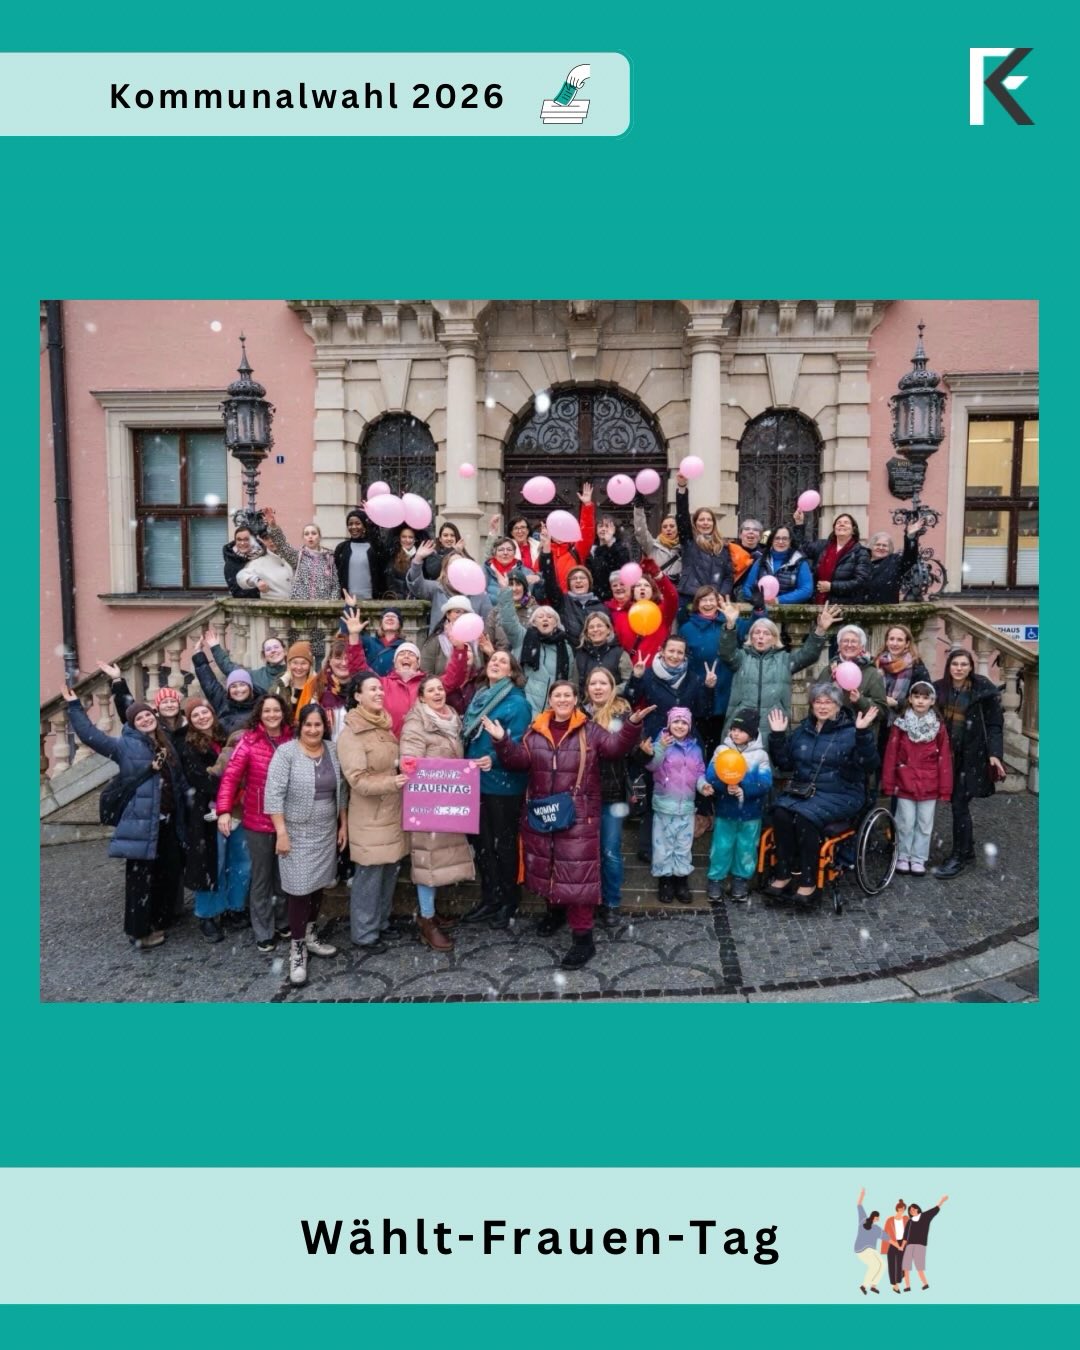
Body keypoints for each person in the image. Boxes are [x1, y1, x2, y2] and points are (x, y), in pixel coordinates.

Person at [484, 680, 650, 969]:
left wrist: (632, 724)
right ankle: (555, 912)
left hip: (578, 815)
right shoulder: (535, 730)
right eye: (557, 695)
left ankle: (583, 939)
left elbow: (614, 748)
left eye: (567, 695)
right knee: (549, 865)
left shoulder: (590, 730)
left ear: (575, 700)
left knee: (577, 876)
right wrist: (502, 741)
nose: (562, 699)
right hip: (545, 813)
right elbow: (519, 761)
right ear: (550, 700)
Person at [63, 689, 189, 949]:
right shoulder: (125, 745)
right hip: (141, 824)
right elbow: (91, 736)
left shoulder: (164, 741)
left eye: (147, 715)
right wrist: (74, 707)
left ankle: (159, 920)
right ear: (132, 724)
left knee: (167, 872)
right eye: (138, 718)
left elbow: (176, 781)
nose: (145, 720)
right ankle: (139, 932)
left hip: (166, 822)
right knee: (139, 881)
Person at [766, 686, 879, 903]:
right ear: (811, 705)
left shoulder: (852, 731)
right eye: (818, 701)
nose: (823, 706)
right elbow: (785, 763)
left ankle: (809, 882)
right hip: (803, 791)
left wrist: (864, 734)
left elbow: (869, 765)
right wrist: (778, 737)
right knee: (780, 813)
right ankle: (784, 873)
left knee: (806, 817)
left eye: (828, 702)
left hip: (841, 792)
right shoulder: (803, 730)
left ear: (838, 705)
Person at [264, 703, 345, 986]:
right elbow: (273, 794)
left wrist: (342, 824)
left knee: (318, 884)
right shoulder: (286, 752)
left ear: (325, 727)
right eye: (308, 725)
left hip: (325, 830)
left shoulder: (332, 750)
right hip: (295, 832)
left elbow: (341, 789)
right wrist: (281, 832)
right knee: (298, 891)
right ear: (300, 726)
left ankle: (310, 935)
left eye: (318, 725)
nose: (313, 730)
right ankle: (297, 948)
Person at [399, 675, 477, 950]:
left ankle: (431, 912)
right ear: (421, 697)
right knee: (427, 859)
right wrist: (433, 773)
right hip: (427, 800)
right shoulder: (416, 722)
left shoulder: (454, 718)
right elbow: (407, 760)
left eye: (440, 688)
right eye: (430, 690)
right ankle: (426, 919)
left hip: (448, 799)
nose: (437, 693)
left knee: (439, 859)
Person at [457, 648, 533, 929]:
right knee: (483, 846)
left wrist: (495, 757)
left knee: (504, 845)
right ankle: (490, 898)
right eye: (493, 660)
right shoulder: (480, 697)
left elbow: (521, 744)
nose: (496, 664)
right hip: (475, 783)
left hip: (503, 785)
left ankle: (509, 900)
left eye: (504, 661)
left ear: (512, 672)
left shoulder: (517, 703)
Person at [215, 694, 293, 951]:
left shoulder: (292, 739)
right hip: (258, 819)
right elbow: (230, 777)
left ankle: (283, 922)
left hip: (287, 819)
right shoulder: (248, 741)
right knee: (261, 877)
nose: (272, 715)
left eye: (276, 710)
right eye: (267, 711)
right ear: (259, 714)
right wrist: (224, 809)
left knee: (283, 876)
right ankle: (263, 930)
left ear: (283, 713)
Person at [337, 674, 410, 952]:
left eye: (380, 688)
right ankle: (364, 934)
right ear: (357, 696)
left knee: (389, 871)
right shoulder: (352, 733)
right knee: (369, 876)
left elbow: (387, 764)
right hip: (370, 817)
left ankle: (380, 923)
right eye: (372, 689)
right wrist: (392, 781)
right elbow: (357, 779)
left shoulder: (383, 725)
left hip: (390, 813)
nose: (379, 693)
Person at [623, 633, 708, 864]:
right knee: (653, 793)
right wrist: (636, 677)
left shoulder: (694, 678)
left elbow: (702, 712)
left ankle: (677, 851)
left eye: (680, 652)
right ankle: (648, 847)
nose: (675, 655)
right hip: (657, 741)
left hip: (686, 745)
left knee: (679, 797)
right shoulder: (649, 674)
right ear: (662, 650)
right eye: (671, 650)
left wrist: (708, 689)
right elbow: (629, 699)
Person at [179, 695, 251, 942]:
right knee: (213, 864)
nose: (201, 717)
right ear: (190, 720)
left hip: (238, 809)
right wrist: (228, 788)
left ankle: (235, 907)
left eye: (204, 712)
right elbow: (199, 779)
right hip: (209, 812)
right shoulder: (189, 746)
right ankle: (208, 914)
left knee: (240, 861)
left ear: (212, 712)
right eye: (195, 715)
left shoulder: (227, 737)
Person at [932, 647, 1005, 879]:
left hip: (973, 756)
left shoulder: (983, 690)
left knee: (959, 804)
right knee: (958, 804)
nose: (959, 668)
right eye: (955, 664)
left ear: (971, 666)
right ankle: (968, 851)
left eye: (964, 664)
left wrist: (995, 753)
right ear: (949, 666)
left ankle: (959, 856)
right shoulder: (939, 689)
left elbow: (995, 724)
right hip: (948, 756)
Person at [717, 597, 837, 736]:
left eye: (766, 633)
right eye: (757, 632)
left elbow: (809, 654)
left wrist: (820, 630)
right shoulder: (741, 657)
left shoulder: (784, 660)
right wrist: (730, 624)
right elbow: (726, 652)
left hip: (774, 726)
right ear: (750, 637)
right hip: (741, 726)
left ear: (774, 639)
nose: (760, 637)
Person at [882, 681, 954, 876]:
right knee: (905, 821)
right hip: (904, 781)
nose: (920, 701)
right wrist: (889, 782)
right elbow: (891, 754)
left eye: (925, 698)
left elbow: (944, 759)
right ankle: (903, 855)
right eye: (917, 697)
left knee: (924, 824)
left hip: (929, 783)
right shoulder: (900, 725)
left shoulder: (938, 728)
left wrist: (945, 788)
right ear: (910, 699)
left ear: (932, 701)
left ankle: (919, 858)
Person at [493, 557, 578, 713]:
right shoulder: (523, 637)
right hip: (523, 707)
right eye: (540, 617)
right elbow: (508, 622)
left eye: (549, 617)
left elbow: (571, 681)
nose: (545, 619)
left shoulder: (565, 647)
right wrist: (506, 592)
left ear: (556, 623)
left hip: (554, 711)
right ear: (533, 623)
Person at [582, 665, 633, 925]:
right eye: (594, 683)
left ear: (612, 687)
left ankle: (611, 901)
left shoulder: (622, 713)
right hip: (583, 795)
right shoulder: (578, 714)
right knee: (585, 852)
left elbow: (625, 749)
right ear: (587, 688)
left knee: (610, 851)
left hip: (612, 794)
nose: (598, 688)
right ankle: (590, 899)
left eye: (603, 683)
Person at [705, 709, 772, 902]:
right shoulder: (721, 751)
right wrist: (725, 787)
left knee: (747, 848)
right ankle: (715, 879)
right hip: (726, 811)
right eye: (733, 729)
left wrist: (744, 789)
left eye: (741, 730)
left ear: (751, 733)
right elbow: (711, 776)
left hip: (751, 813)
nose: (735, 734)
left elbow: (765, 782)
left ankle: (741, 881)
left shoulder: (760, 756)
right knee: (721, 846)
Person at [646, 706, 710, 904]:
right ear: (669, 724)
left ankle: (681, 881)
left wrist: (703, 786)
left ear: (689, 726)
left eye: (684, 722)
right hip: (665, 806)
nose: (680, 726)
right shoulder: (661, 743)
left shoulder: (696, 749)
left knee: (683, 847)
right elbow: (652, 766)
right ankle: (665, 881)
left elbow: (699, 772)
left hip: (687, 808)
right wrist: (661, 748)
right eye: (676, 722)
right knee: (663, 846)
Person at [679, 585, 741, 760]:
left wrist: (759, 609)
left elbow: (755, 628)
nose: (707, 604)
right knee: (698, 742)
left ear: (718, 602)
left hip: (725, 689)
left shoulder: (729, 622)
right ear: (697, 604)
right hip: (699, 692)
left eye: (711, 600)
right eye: (703, 600)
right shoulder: (687, 629)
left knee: (722, 743)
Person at [408, 539, 495, 634]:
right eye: (452, 564)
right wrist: (417, 559)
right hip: (440, 643)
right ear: (445, 570)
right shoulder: (437, 588)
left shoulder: (479, 594)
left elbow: (489, 625)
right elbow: (416, 586)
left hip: (470, 645)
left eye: (460, 564)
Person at [674, 472, 733, 607]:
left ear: (713, 523)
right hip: (689, 597)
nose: (705, 523)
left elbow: (728, 577)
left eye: (709, 520)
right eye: (701, 520)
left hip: (714, 600)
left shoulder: (723, 547)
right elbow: (682, 517)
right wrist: (682, 488)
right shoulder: (689, 541)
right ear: (695, 523)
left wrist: (720, 594)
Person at [792, 508, 871, 605]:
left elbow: (861, 581)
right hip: (818, 602)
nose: (841, 524)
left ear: (853, 530)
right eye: (838, 522)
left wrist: (832, 586)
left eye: (846, 522)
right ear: (834, 529)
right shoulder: (822, 546)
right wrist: (799, 523)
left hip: (845, 606)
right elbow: (801, 548)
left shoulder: (861, 553)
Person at [261, 506, 338, 600]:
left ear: (319, 537)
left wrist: (331, 607)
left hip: (323, 608)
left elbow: (335, 586)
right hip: (301, 607)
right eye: (307, 534)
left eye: (314, 533)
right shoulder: (299, 557)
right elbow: (282, 545)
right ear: (303, 538)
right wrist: (273, 526)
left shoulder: (329, 558)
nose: (310, 537)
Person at [353, 639, 426, 736]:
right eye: (401, 654)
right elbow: (360, 669)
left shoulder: (427, 684)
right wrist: (354, 638)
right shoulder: (382, 683)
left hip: (419, 746)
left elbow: (450, 678)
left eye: (411, 654)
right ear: (395, 663)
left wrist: (454, 648)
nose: (406, 656)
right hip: (389, 744)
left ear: (418, 664)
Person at [542, 549, 609, 645]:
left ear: (589, 583)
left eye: (582, 578)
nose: (578, 581)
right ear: (569, 584)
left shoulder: (601, 608)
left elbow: (609, 636)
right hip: (570, 654)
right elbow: (549, 580)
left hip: (595, 655)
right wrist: (546, 551)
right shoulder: (562, 602)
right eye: (574, 578)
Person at [192, 642, 259, 734]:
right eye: (233, 686)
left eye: (242, 685)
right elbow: (209, 682)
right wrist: (198, 653)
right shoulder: (223, 702)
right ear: (229, 690)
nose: (238, 689)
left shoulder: (260, 705)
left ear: (250, 688)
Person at [739, 525, 814, 605]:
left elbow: (806, 590)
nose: (780, 542)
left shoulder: (799, 562)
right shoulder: (761, 560)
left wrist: (778, 600)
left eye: (785, 538)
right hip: (762, 611)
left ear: (790, 541)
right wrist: (757, 601)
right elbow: (747, 587)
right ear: (771, 540)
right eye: (777, 538)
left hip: (789, 612)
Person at [830, 624, 890, 723]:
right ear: (839, 646)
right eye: (845, 641)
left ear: (862, 647)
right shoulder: (829, 670)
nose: (849, 645)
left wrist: (860, 700)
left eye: (854, 641)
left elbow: (882, 712)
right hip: (831, 733)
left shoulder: (873, 673)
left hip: (861, 734)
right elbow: (815, 703)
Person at [875, 623, 931, 725]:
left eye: (900, 640)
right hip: (877, 720)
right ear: (886, 642)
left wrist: (897, 703)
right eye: (891, 639)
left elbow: (925, 696)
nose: (894, 643)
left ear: (907, 643)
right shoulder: (877, 663)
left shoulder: (916, 667)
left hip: (905, 722)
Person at [333, 507, 386, 601]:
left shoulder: (375, 547)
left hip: (372, 600)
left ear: (364, 526)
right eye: (350, 524)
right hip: (348, 601)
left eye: (358, 523)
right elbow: (337, 575)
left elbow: (381, 573)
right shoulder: (341, 548)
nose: (353, 527)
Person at [863, 521, 922, 604]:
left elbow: (910, 558)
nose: (881, 547)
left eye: (885, 545)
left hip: (888, 609)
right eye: (878, 544)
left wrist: (910, 537)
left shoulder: (894, 560)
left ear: (890, 548)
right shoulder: (862, 561)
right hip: (864, 608)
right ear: (871, 547)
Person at [575, 610, 632, 690]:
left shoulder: (620, 654)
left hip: (614, 700)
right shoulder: (580, 655)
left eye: (599, 626)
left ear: (608, 630)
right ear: (587, 632)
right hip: (587, 701)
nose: (595, 629)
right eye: (591, 627)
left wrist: (609, 692)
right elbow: (574, 685)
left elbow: (629, 683)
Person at [901, 1197, 948, 1292]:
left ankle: (925, 1284)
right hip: (909, 1246)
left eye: (913, 1208)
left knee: (919, 1267)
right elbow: (905, 1236)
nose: (912, 1210)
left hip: (920, 1245)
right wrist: (902, 1247)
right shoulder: (909, 1222)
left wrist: (942, 1201)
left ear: (918, 1209)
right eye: (910, 1210)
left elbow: (935, 1209)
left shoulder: (925, 1216)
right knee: (906, 1267)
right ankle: (907, 1286)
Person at [234, 529, 295, 598]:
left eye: (273, 537)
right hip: (273, 607)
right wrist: (257, 581)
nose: (271, 541)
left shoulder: (291, 558)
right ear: (263, 541)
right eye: (266, 538)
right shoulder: (259, 562)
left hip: (298, 606)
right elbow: (241, 576)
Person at [633, 501, 682, 584]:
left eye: (672, 526)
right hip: (658, 590)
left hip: (677, 591)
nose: (668, 529)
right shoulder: (652, 545)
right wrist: (639, 509)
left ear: (678, 529)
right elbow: (641, 532)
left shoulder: (684, 547)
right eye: (665, 527)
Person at [266, 641, 316, 720]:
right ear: (289, 664)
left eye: (304, 663)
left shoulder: (317, 686)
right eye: (295, 663)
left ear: (310, 665)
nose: (299, 667)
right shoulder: (279, 686)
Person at [588, 514, 630, 602]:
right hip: (595, 598)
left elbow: (624, 567)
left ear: (614, 530)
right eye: (600, 526)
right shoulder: (592, 550)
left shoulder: (620, 548)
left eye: (607, 526)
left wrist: (610, 543)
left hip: (614, 597)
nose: (603, 529)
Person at [854, 1188, 886, 1296]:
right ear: (875, 1217)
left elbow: (859, 1204)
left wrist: (862, 1195)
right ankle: (867, 1285)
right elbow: (889, 1239)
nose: (878, 1219)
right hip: (867, 1250)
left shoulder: (867, 1222)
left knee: (880, 1265)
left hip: (859, 1251)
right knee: (878, 1265)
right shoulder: (870, 1224)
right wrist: (862, 1194)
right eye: (878, 1218)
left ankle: (871, 1286)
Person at [222, 523, 264, 599]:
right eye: (239, 540)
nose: (242, 543)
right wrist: (260, 588)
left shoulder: (264, 554)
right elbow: (238, 593)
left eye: (246, 539)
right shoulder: (231, 564)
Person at [362, 607, 405, 675]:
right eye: (387, 616)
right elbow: (349, 646)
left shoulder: (405, 647)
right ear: (381, 624)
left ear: (399, 625)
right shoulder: (369, 642)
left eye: (394, 616)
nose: (390, 618)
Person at [381, 526, 418, 600]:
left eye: (410, 537)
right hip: (399, 600)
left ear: (414, 540)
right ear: (400, 539)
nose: (407, 540)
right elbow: (390, 582)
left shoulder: (420, 556)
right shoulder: (393, 556)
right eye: (404, 537)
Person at [882, 1201, 909, 1295]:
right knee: (892, 1264)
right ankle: (894, 1285)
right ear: (897, 1208)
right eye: (900, 1208)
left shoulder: (906, 1218)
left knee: (901, 1263)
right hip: (892, 1243)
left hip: (904, 1242)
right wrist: (895, 1244)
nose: (902, 1210)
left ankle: (900, 1277)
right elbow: (885, 1234)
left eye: (903, 1209)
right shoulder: (890, 1219)